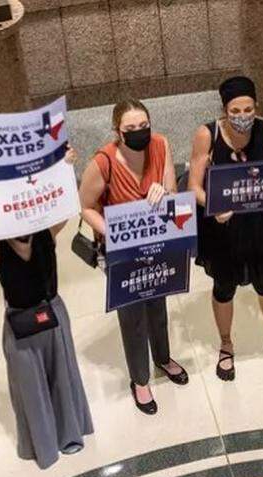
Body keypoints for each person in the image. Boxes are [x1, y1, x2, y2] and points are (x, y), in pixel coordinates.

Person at [0, 151, 94, 470]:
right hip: (20, 322)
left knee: (63, 375)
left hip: (53, 313)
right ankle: (42, 443)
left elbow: (64, 210)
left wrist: (65, 170)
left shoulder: (45, 233)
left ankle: (70, 432)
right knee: (30, 385)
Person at [187, 76, 263, 381]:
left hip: (258, 223)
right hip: (222, 225)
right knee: (224, 287)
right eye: (236, 110)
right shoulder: (207, 134)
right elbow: (193, 186)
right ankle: (226, 344)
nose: (243, 116)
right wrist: (213, 208)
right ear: (224, 109)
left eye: (248, 109)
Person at [78, 99, 189, 415]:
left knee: (158, 301)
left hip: (157, 241)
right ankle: (140, 379)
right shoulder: (103, 163)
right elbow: (85, 206)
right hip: (123, 249)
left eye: (144, 126)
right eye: (131, 129)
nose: (140, 133)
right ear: (117, 131)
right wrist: (113, 233)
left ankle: (163, 358)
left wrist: (164, 192)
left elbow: (170, 188)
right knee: (132, 314)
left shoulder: (160, 144)